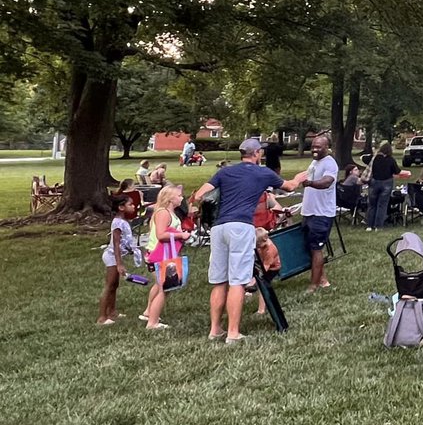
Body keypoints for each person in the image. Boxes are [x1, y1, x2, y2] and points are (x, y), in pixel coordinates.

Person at [191, 138, 305, 341]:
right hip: (241, 227)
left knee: (219, 281)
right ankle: (233, 333)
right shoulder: (262, 172)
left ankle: (215, 330)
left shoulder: (225, 172)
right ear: (257, 153)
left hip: (218, 228)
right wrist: (300, 177)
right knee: (238, 282)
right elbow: (289, 186)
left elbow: (200, 194)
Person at [142, 185, 191, 331]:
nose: (182, 198)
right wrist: (180, 235)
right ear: (170, 198)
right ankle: (153, 322)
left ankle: (149, 312)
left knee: (159, 285)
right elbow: (161, 235)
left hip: (162, 255)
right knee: (165, 288)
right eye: (179, 196)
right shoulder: (163, 213)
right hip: (159, 255)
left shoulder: (170, 213)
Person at [297, 135, 339, 292]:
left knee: (316, 248)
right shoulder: (315, 162)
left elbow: (327, 181)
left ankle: (313, 285)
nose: (315, 149)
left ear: (327, 147)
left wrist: (310, 183)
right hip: (309, 212)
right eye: (313, 145)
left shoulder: (330, 163)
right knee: (310, 247)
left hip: (322, 214)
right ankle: (322, 279)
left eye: (319, 146)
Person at [98, 196, 140, 325]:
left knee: (115, 285)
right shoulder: (117, 223)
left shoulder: (123, 221)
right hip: (112, 256)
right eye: (130, 204)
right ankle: (102, 317)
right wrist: (119, 264)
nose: (133, 206)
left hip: (116, 256)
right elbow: (116, 244)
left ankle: (112, 311)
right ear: (121, 207)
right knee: (109, 285)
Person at [365, 142, 406, 231]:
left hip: (374, 182)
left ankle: (369, 225)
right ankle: (378, 226)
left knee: (372, 205)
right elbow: (396, 171)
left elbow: (364, 159)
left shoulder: (375, 158)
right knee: (382, 205)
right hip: (387, 182)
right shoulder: (391, 160)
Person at [253, 226, 282, 315]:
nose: (257, 247)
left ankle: (261, 310)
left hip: (272, 268)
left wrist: (255, 280)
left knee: (263, 285)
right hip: (263, 263)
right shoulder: (262, 243)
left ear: (264, 240)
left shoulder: (270, 250)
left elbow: (265, 267)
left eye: (258, 245)